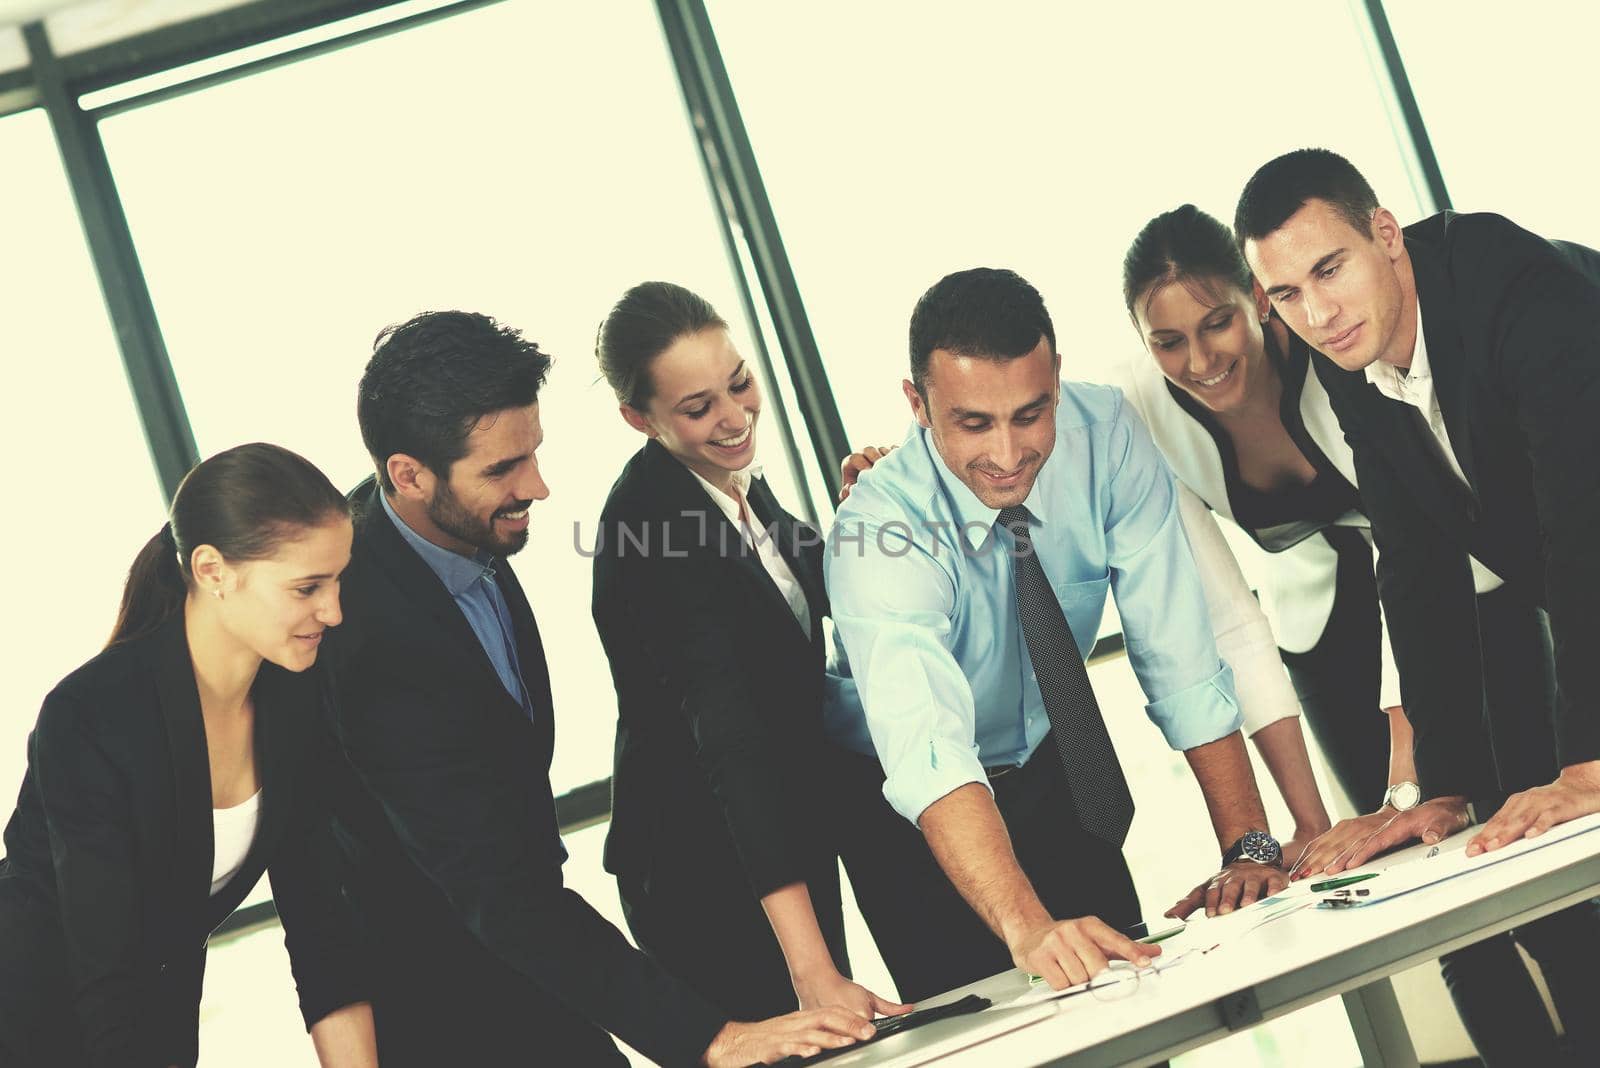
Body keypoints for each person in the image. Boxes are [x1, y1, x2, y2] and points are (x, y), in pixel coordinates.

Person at [321, 310, 874, 1067]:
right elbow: (494, 885)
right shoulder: (369, 637)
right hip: (453, 1002)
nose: (539, 487)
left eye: (533, 454)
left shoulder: (453, 528)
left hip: (540, 958)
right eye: (503, 470)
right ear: (407, 475)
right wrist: (712, 1036)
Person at [1121, 202, 1591, 1067]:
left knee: (1529, 857)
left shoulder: (1337, 353)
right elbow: (1226, 614)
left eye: (1220, 320)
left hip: (1462, 595)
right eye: (1169, 341)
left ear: (1255, 304)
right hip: (1319, 629)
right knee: (1426, 891)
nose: (1200, 359)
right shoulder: (1147, 412)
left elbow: (1412, 562)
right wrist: (1303, 822)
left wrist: (1418, 777)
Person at [823, 267, 1286, 1003]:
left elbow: (1177, 649)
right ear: (917, 403)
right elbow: (931, 749)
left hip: (1053, 762)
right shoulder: (877, 530)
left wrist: (1249, 847)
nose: (1008, 454)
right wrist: (1028, 926)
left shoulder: (1104, 436)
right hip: (912, 808)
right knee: (1003, 1035)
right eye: (974, 423)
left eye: (1032, 415)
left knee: (1126, 1007)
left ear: (1058, 381)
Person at [590, 283, 910, 1023]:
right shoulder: (650, 529)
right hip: (701, 870)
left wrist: (869, 501)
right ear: (639, 418)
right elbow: (730, 743)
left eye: (739, 383)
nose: (735, 417)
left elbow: (815, 589)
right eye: (699, 407)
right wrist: (812, 968)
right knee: (803, 1026)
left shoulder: (729, 485)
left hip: (777, 839)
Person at [0, 443, 375, 1068]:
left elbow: (321, 928)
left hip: (151, 1028)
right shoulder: (91, 713)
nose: (332, 611)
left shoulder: (294, 698)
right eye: (308, 587)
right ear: (212, 571)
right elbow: (105, 969)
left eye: (338, 581)